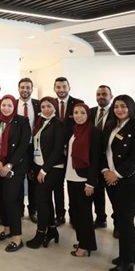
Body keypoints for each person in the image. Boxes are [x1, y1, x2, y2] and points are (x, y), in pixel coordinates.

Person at [102, 95, 135, 271]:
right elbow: (104, 152)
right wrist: (106, 171)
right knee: (121, 219)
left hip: (132, 181)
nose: (119, 110)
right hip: (112, 180)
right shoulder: (110, 126)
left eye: (123, 106)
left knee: (125, 220)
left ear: (131, 108)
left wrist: (117, 174)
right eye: (116, 106)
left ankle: (127, 261)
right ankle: (128, 254)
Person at [26, 97, 66, 249]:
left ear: (54, 107)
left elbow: (57, 150)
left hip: (52, 167)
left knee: (41, 201)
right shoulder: (40, 122)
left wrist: (44, 169)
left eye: (49, 106)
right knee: (46, 200)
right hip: (39, 165)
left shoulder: (59, 124)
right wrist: (33, 167)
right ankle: (52, 230)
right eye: (43, 107)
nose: (46, 109)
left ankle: (41, 233)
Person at [0, 95, 32, 253]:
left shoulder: (22, 121)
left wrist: (9, 165)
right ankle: (7, 229)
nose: (6, 108)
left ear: (14, 107)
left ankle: (17, 237)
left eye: (9, 105)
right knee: (2, 199)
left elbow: (23, 145)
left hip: (15, 166)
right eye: (4, 105)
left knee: (11, 200)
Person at [65, 103, 101, 258]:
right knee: (75, 211)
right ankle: (83, 241)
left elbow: (95, 159)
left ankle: (85, 245)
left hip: (84, 179)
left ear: (88, 115)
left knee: (84, 213)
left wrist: (91, 182)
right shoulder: (74, 130)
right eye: (76, 113)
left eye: (82, 113)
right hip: (71, 176)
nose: (79, 116)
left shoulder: (94, 132)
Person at [52, 77, 83, 225]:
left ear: (69, 87)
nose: (61, 90)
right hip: (55, 151)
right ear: (54, 89)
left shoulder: (78, 103)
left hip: (73, 150)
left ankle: (75, 215)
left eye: (64, 86)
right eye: (58, 87)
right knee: (58, 185)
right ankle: (60, 215)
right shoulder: (50, 104)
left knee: (73, 184)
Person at [89, 85, 115, 230]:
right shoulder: (91, 112)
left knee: (113, 194)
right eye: (98, 94)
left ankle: (118, 224)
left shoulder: (116, 112)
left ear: (111, 96)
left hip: (111, 160)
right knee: (97, 191)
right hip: (95, 159)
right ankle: (100, 218)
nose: (101, 97)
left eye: (104, 94)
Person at [17, 77, 40, 223]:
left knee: (33, 180)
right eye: (22, 87)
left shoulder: (39, 105)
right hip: (18, 148)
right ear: (18, 89)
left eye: (28, 87)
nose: (25, 90)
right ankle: (19, 209)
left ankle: (33, 210)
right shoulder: (12, 104)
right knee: (18, 180)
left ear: (32, 89)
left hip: (34, 148)